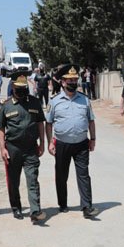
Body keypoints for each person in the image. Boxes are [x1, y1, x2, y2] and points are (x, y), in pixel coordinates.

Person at [45, 64, 99, 218]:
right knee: (61, 176)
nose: (73, 83)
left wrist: (93, 139)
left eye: (75, 80)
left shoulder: (84, 100)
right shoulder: (54, 101)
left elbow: (91, 120)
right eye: (70, 80)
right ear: (63, 82)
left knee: (83, 175)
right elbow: (48, 123)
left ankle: (87, 207)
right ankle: (62, 203)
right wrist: (50, 142)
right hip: (62, 144)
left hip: (82, 144)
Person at [0, 71, 47, 223]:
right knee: (14, 181)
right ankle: (16, 207)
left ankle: (35, 210)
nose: (21, 91)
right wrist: (2, 148)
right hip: (13, 148)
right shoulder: (5, 106)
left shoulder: (34, 102)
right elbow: (0, 128)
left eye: (24, 88)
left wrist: (42, 143)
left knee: (32, 179)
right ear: (13, 87)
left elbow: (40, 123)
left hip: (31, 148)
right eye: (18, 88)